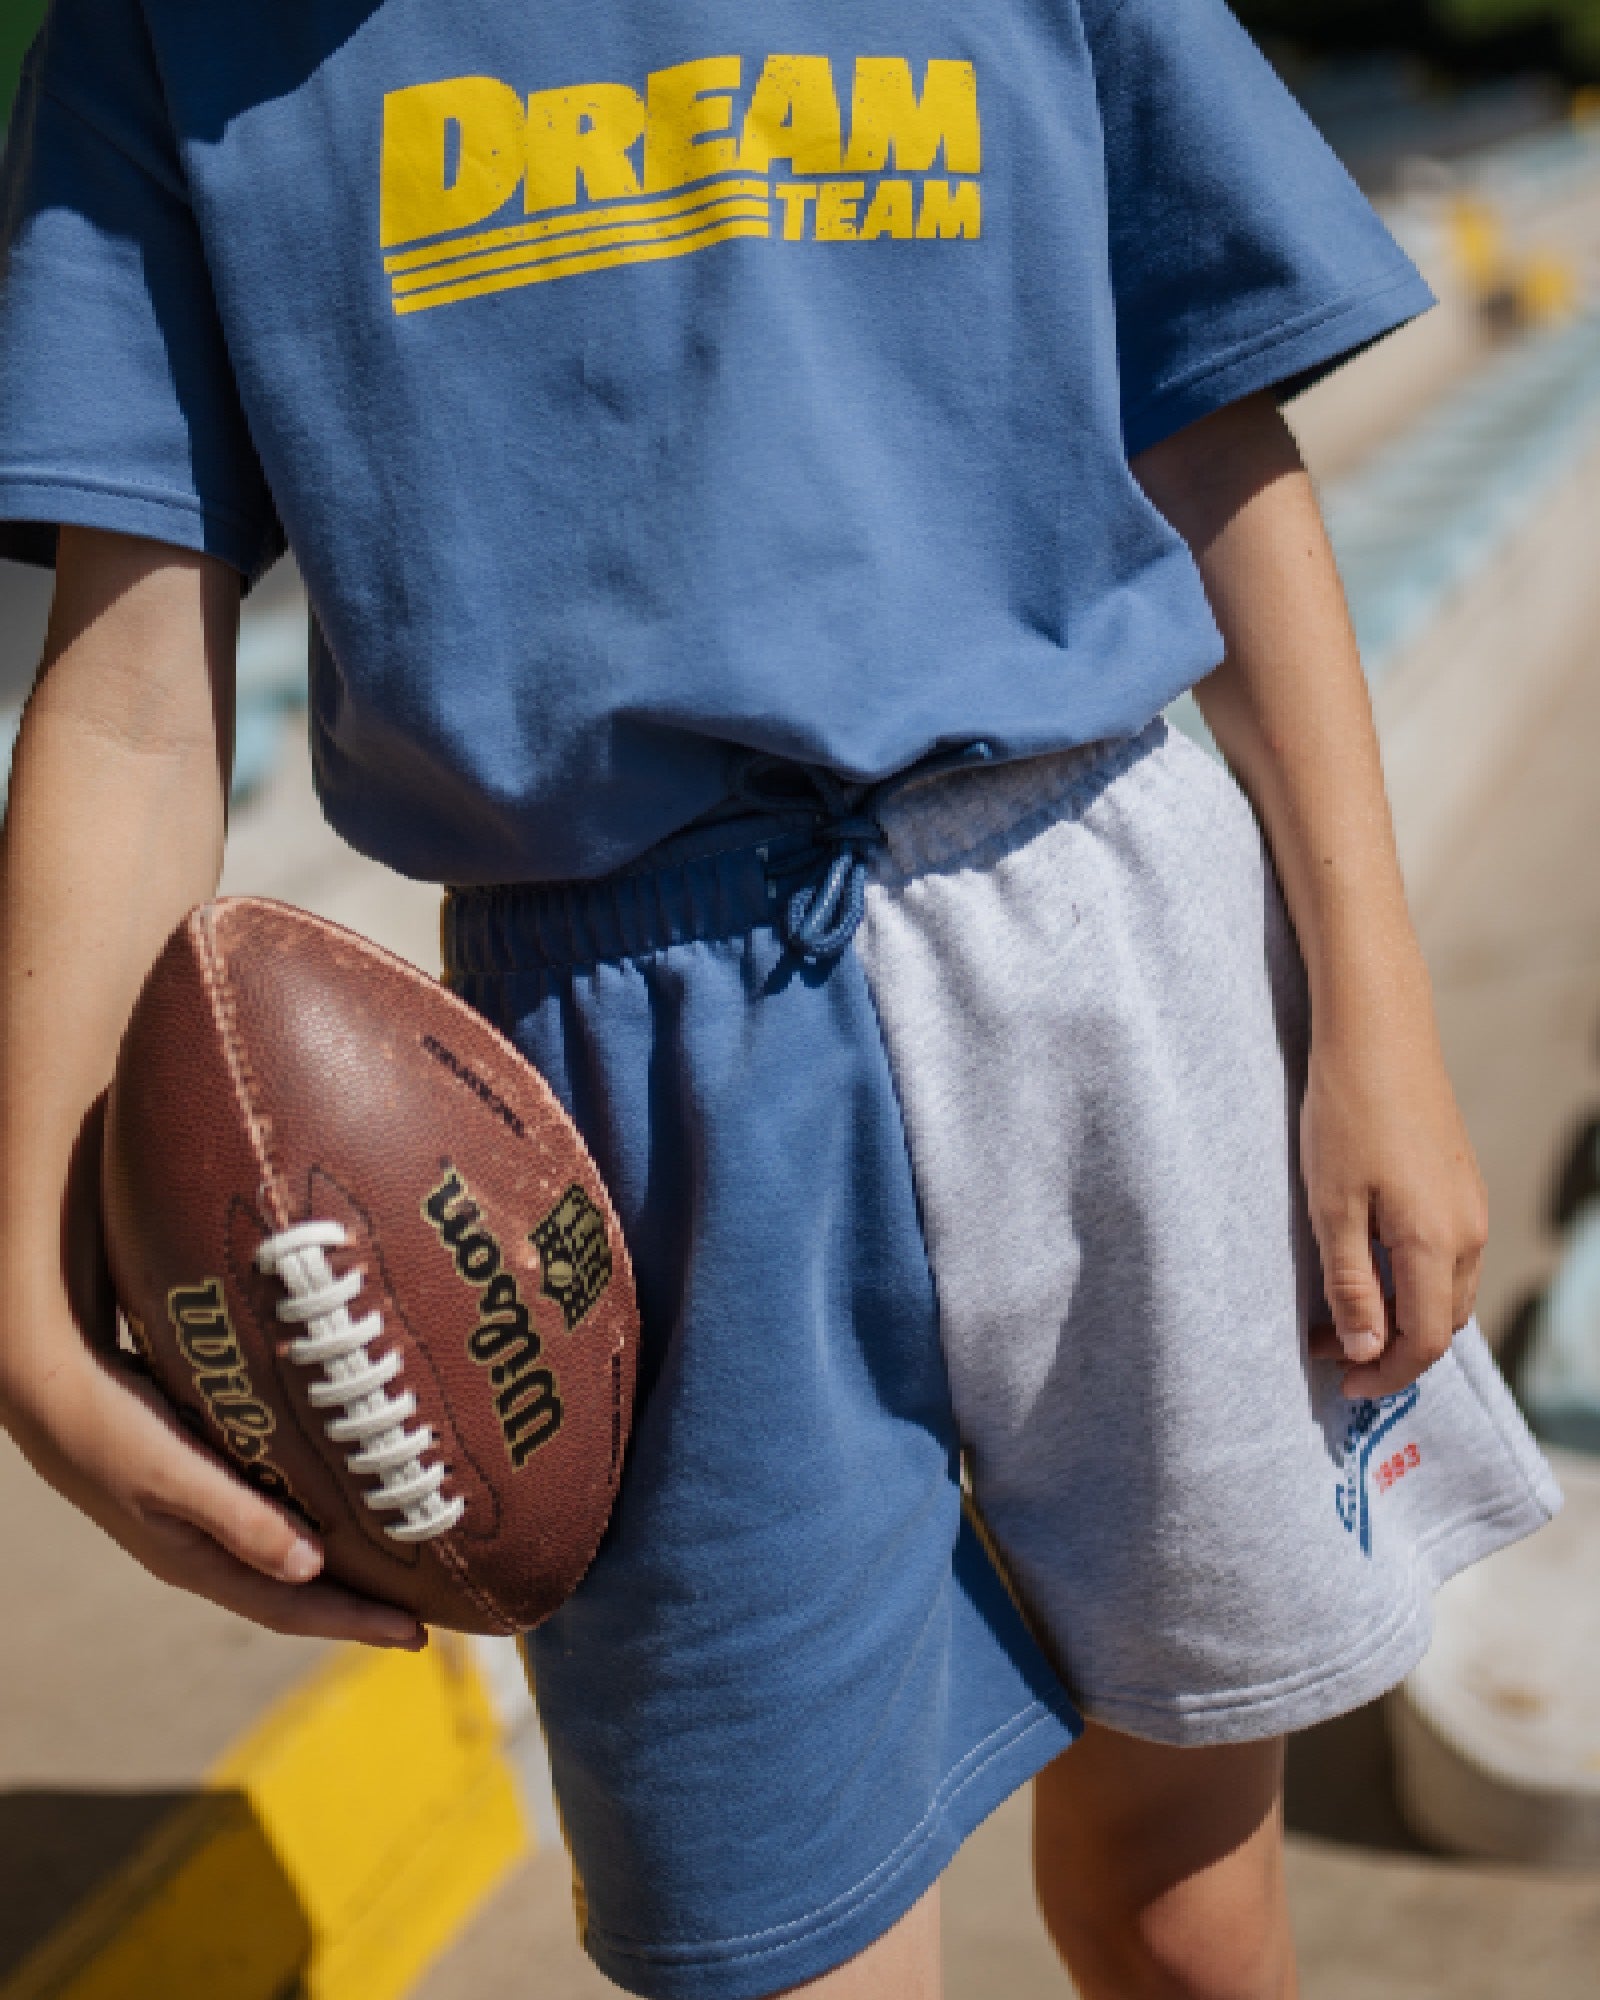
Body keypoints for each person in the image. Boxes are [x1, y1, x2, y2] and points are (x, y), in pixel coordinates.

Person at [0, 3, 1561, 1996]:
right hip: (613, 1089)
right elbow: (131, 698)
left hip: (1108, 946)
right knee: (770, 1949)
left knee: (1183, 1898)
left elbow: (1213, 438)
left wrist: (1377, 1018)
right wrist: (31, 1300)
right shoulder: (173, 41)